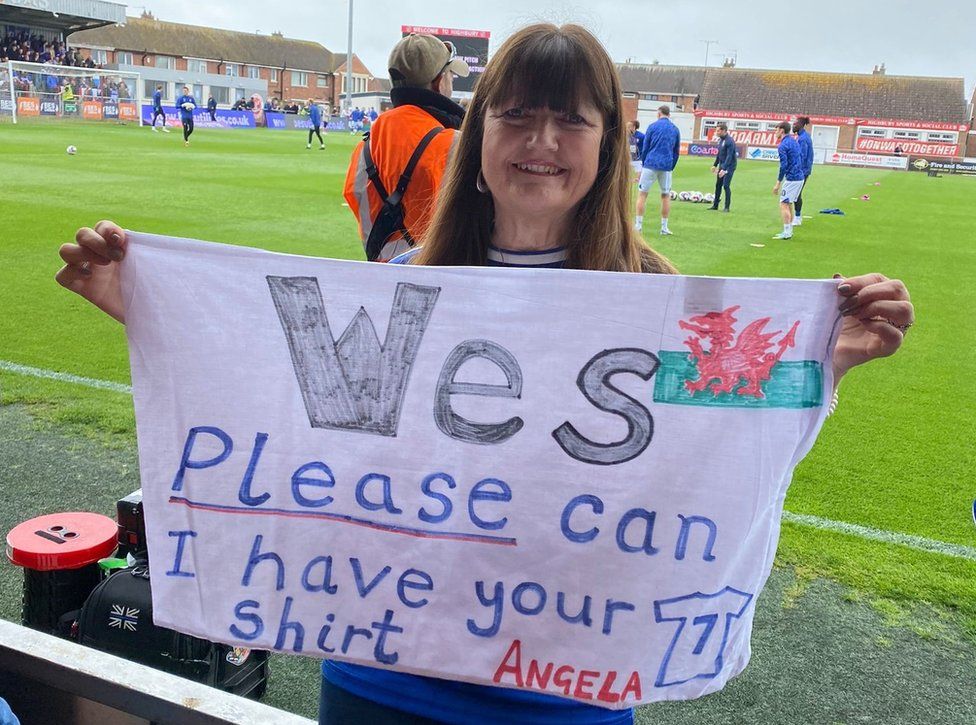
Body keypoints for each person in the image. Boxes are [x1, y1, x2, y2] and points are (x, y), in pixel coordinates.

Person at [57, 22, 915, 725]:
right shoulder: (403, 286)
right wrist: (146, 305)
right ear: (480, 135)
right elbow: (279, 395)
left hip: (569, 692)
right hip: (378, 681)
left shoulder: (657, 305)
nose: (542, 141)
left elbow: (720, 440)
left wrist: (827, 356)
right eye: (516, 115)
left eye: (572, 120)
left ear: (607, 143)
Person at [343, 32, 469, 262]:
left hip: (380, 271)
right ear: (439, 83)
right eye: (450, 75)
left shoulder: (365, 146)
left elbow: (355, 196)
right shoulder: (454, 144)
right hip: (439, 272)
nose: (451, 82)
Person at [635, 105, 680, 235]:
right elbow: (676, 151)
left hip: (650, 163)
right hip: (666, 165)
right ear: (668, 115)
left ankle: (638, 225)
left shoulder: (652, 127)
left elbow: (645, 147)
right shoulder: (675, 129)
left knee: (643, 194)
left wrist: (644, 162)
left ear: (659, 114)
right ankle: (664, 227)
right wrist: (671, 165)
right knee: (665, 195)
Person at [772, 120, 804, 239]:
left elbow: (783, 165)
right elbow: (800, 156)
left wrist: (778, 183)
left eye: (776, 130)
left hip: (792, 178)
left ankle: (786, 232)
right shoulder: (793, 141)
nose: (775, 132)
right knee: (788, 202)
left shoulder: (783, 145)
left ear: (781, 130)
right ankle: (789, 230)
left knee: (783, 204)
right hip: (799, 176)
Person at [709, 122, 737, 212]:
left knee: (726, 185)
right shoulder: (720, 140)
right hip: (722, 165)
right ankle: (715, 205)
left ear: (724, 131)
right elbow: (719, 154)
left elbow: (729, 156)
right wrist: (715, 164)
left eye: (718, 131)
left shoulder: (730, 141)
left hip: (729, 166)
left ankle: (727, 207)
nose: (716, 132)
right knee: (718, 185)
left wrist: (724, 169)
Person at [793, 116, 814, 226]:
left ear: (801, 125)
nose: (793, 125)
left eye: (795, 124)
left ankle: (797, 217)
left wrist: (796, 169)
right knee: (796, 193)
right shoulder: (802, 137)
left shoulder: (803, 139)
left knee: (797, 193)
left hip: (802, 170)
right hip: (803, 170)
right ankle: (797, 216)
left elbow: (802, 156)